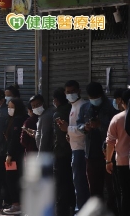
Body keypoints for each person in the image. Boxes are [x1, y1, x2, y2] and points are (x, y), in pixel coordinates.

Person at [77, 82, 116, 199]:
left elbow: (116, 127)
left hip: (109, 154)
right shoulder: (85, 107)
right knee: (94, 189)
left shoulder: (111, 106)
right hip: (91, 154)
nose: (94, 100)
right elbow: (79, 123)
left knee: (112, 189)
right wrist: (85, 127)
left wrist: (100, 125)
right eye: (91, 98)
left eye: (96, 97)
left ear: (101, 94)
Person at [57, 80, 89, 213]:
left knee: (80, 184)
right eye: (68, 92)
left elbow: (84, 129)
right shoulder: (73, 106)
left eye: (73, 91)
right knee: (77, 184)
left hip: (81, 150)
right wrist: (68, 134)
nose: (70, 94)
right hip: (74, 148)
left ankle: (81, 210)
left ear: (79, 91)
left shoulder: (82, 106)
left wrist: (67, 129)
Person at [106, 89, 130, 216]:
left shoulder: (117, 118)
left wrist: (108, 161)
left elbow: (110, 143)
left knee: (125, 193)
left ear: (123, 102)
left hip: (122, 163)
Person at [52, 87, 75, 216]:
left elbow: (59, 137)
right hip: (73, 151)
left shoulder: (58, 113)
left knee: (61, 187)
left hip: (62, 154)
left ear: (56, 100)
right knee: (70, 184)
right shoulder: (71, 109)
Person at [3, 98, 28, 215]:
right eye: (8, 107)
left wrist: (9, 154)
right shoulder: (13, 119)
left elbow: (14, 139)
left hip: (14, 156)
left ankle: (16, 204)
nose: (9, 109)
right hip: (16, 154)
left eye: (12, 107)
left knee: (11, 178)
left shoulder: (18, 119)